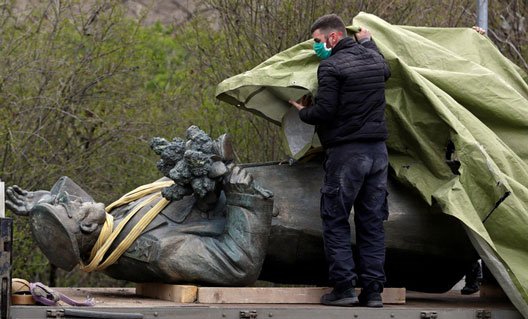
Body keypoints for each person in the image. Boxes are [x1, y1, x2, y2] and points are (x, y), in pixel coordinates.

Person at [6, 134, 274, 287]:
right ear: (86, 227)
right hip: (289, 216)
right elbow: (239, 265)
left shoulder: (117, 221)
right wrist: (245, 198)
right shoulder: (151, 250)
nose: (74, 199)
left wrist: (43, 202)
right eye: (68, 206)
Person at [289, 14, 391, 307]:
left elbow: (325, 112)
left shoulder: (330, 67)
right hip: (378, 154)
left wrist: (302, 110)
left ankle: (344, 288)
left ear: (333, 38)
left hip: (347, 154)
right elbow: (384, 69)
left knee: (335, 219)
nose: (316, 48)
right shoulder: (374, 60)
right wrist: (369, 43)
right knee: (372, 222)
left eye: (318, 41)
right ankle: (373, 292)